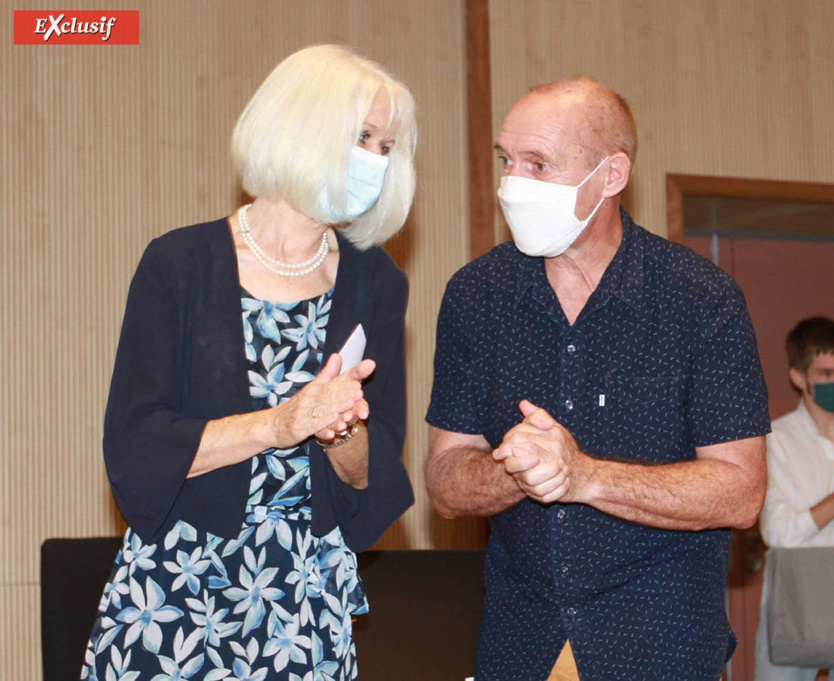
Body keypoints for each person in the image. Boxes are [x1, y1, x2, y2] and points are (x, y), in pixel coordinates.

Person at [81, 44, 416, 680]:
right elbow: (137, 449)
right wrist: (279, 424)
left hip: (306, 603)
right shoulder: (178, 266)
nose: (375, 159)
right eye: (363, 137)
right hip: (175, 594)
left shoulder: (377, 283)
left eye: (386, 146)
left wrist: (341, 428)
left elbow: (374, 473)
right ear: (299, 124)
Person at [425, 77, 771, 681]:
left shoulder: (701, 299)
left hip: (660, 646)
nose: (515, 184)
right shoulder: (475, 296)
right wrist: (519, 470)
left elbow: (741, 492)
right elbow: (445, 484)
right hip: (519, 647)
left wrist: (582, 476)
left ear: (611, 176)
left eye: (540, 164)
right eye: (508, 161)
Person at [754, 317, 834, 681]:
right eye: (827, 374)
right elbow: (778, 533)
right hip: (794, 601)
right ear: (799, 378)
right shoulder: (776, 441)